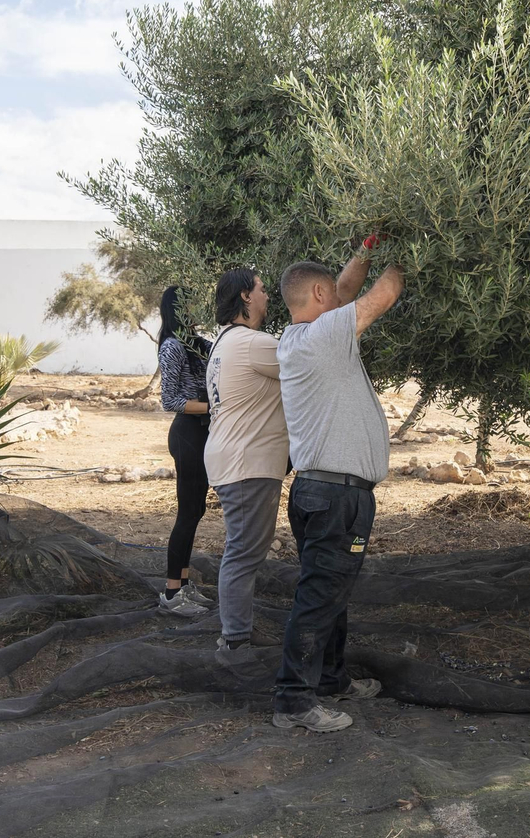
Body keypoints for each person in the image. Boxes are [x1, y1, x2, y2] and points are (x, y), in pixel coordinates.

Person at [271, 240, 403, 733]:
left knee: (332, 591)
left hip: (320, 493)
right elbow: (381, 295)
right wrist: (411, 250)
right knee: (319, 596)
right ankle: (293, 702)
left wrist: (368, 245)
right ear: (319, 294)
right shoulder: (325, 334)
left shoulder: (297, 336)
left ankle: (330, 678)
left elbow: (347, 290)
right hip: (335, 496)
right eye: (334, 293)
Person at [201, 267, 290, 655]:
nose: (268, 296)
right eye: (263, 289)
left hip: (235, 458)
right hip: (246, 461)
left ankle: (238, 631)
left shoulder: (225, 343)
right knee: (243, 550)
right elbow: (306, 364)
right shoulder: (253, 344)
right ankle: (235, 640)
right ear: (245, 297)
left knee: (246, 547)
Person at [156, 286, 213, 617]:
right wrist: (213, 408)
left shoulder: (198, 344)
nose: (198, 309)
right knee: (187, 514)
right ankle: (171, 594)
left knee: (195, 512)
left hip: (202, 434)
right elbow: (170, 400)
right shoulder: (173, 347)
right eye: (192, 305)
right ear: (180, 309)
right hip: (188, 435)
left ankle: (183, 584)